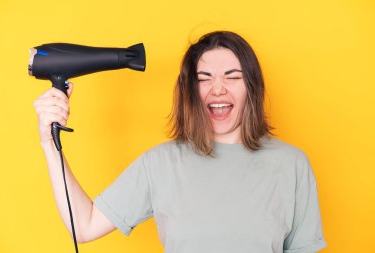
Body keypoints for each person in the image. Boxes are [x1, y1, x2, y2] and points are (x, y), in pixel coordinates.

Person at [33, 31, 327, 253]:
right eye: (204, 78)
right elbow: (83, 225)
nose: (218, 88)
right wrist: (49, 142)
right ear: (189, 91)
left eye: (232, 76)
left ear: (251, 87)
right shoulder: (161, 163)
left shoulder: (291, 165)